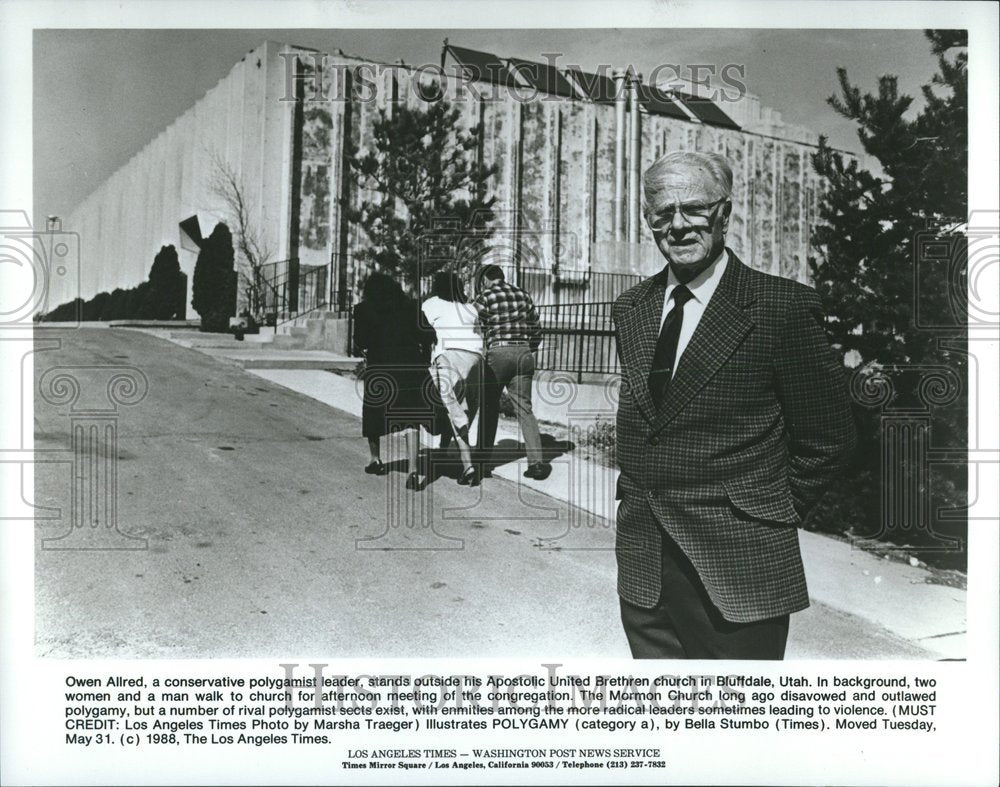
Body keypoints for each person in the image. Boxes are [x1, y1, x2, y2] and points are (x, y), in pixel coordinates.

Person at [611, 150, 856, 659]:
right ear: (648, 221)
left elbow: (828, 438)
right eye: (662, 213)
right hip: (644, 566)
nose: (677, 226)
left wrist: (764, 515)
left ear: (724, 213)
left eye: (694, 209)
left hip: (740, 567)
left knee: (742, 728)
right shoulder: (631, 308)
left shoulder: (781, 308)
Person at [352, 271, 436, 491]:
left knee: (373, 413)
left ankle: (375, 459)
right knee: (411, 418)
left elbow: (360, 341)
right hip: (409, 367)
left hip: (380, 367)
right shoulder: (411, 306)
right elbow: (428, 335)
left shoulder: (363, 309)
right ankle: (413, 470)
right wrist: (424, 358)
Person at [473, 264, 549, 480]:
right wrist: (528, 349)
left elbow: (472, 323)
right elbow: (536, 328)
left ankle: (481, 464)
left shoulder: (485, 296)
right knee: (525, 409)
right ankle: (537, 464)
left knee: (488, 408)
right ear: (502, 277)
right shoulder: (523, 295)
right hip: (524, 353)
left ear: (487, 279)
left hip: (498, 353)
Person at [421, 272, 484, 486]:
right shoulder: (469, 307)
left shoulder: (431, 304)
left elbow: (422, 331)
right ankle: (443, 448)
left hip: (448, 355)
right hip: (476, 357)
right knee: (465, 408)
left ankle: (467, 465)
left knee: (452, 408)